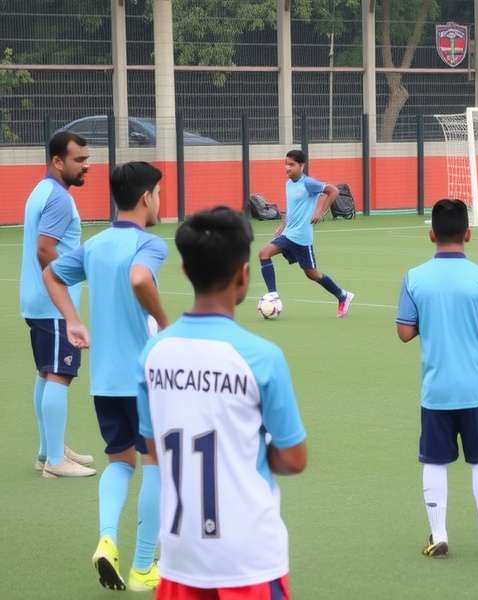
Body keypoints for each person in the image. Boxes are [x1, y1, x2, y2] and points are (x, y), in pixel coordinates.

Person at [137, 206, 307, 600]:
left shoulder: (153, 354)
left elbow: (154, 449)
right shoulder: (261, 357)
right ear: (244, 274)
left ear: (184, 272)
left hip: (180, 557)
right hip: (248, 558)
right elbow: (295, 459)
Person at [44, 162, 169, 591]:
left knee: (120, 461)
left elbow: (52, 274)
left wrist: (72, 319)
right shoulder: (149, 245)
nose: (160, 201)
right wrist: (164, 321)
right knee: (156, 464)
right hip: (143, 378)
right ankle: (141, 567)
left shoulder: (95, 246)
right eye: (159, 193)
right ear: (146, 197)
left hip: (104, 382)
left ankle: (106, 541)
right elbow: (139, 279)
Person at [397, 198, 478, 560]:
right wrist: (474, 325)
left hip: (435, 391)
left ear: (432, 234)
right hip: (475, 389)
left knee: (434, 461)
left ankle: (438, 535)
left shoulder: (414, 277)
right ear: (468, 234)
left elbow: (405, 333)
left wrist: (432, 322)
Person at [19, 131, 95, 478]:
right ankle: (54, 461)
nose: (86, 166)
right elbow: (45, 249)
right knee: (59, 374)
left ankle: (47, 448)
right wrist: (67, 307)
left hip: (37, 300)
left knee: (45, 373)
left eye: (86, 159)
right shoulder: (60, 200)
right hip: (52, 303)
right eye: (79, 160)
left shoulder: (42, 190)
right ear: (57, 161)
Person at [257, 150, 354, 318]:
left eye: (292, 164)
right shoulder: (288, 184)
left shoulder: (308, 183)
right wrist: (283, 224)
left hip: (302, 238)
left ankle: (343, 296)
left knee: (312, 274)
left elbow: (333, 191)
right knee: (264, 254)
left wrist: (320, 211)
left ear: (301, 166)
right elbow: (291, 207)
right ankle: (272, 294)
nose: (288, 168)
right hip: (288, 234)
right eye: (286, 164)